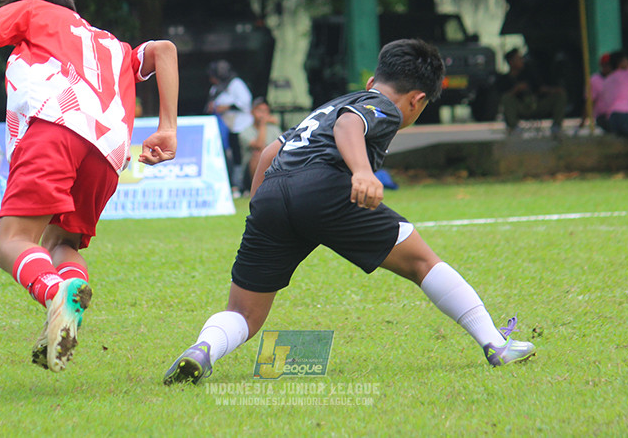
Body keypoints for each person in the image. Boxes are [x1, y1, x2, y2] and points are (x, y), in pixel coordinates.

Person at [163, 39, 535, 385]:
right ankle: (495, 343)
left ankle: (204, 348)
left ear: (373, 80)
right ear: (417, 100)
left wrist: (260, 210)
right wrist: (361, 171)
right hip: (324, 188)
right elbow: (349, 125)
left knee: (245, 314)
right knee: (422, 262)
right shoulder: (383, 106)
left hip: (273, 193)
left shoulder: (330, 106)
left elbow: (268, 153)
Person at [0, 0, 179, 373]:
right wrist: (168, 127)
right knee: (61, 241)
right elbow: (164, 49)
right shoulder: (114, 45)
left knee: (11, 243)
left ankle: (55, 292)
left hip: (54, 128)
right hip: (108, 155)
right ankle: (67, 302)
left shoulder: (35, 9)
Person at [496, 48, 567, 138]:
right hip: (521, 108)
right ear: (511, 62)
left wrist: (555, 90)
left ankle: (556, 127)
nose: (522, 61)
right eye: (519, 59)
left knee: (560, 96)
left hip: (536, 105)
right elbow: (504, 98)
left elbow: (540, 88)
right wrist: (516, 90)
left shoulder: (529, 73)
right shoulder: (504, 79)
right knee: (507, 98)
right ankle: (514, 128)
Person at [205, 60, 253, 192]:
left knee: (240, 156)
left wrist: (226, 107)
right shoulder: (216, 88)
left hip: (240, 126)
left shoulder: (236, 84)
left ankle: (240, 184)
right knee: (227, 156)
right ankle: (231, 184)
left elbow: (245, 101)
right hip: (224, 128)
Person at [237, 97, 282, 193]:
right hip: (249, 174)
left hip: (272, 168)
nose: (262, 114)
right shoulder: (245, 131)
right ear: (252, 112)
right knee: (258, 155)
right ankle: (256, 191)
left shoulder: (274, 129)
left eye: (265, 111)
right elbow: (259, 145)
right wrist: (262, 124)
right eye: (259, 111)